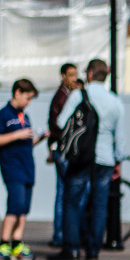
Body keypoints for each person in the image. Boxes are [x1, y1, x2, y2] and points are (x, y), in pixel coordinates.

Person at [48, 59, 129, 260]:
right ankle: (93, 250)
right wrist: (118, 160)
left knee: (72, 201)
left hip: (82, 156)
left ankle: (71, 248)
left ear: (90, 74)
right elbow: (119, 138)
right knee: (100, 204)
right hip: (105, 159)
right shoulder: (115, 101)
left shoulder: (78, 95)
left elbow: (60, 121)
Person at [0, 79, 47, 260]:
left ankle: (17, 242)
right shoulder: (3, 115)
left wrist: (40, 138)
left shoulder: (25, 116)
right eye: (27, 97)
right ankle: (4, 244)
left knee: (23, 208)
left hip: (27, 167)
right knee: (15, 205)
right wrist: (17, 134)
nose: (29, 102)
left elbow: (26, 143)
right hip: (12, 167)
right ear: (17, 93)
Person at [47, 62, 81, 246]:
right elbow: (58, 125)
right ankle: (60, 235)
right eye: (71, 75)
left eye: (76, 74)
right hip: (63, 150)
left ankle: (60, 234)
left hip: (60, 149)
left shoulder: (67, 95)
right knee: (65, 193)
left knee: (63, 192)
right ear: (63, 76)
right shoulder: (63, 97)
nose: (74, 78)